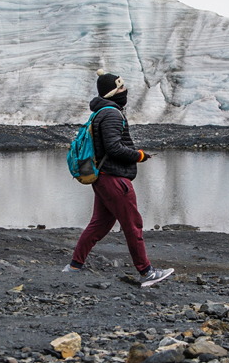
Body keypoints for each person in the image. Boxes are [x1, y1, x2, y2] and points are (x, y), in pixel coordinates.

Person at [63, 70, 173, 287]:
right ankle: (146, 273)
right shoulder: (112, 114)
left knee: (99, 224)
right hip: (114, 179)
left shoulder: (99, 113)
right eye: (121, 87)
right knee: (133, 225)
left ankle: (74, 266)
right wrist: (139, 155)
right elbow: (114, 148)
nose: (125, 90)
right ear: (113, 92)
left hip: (101, 178)